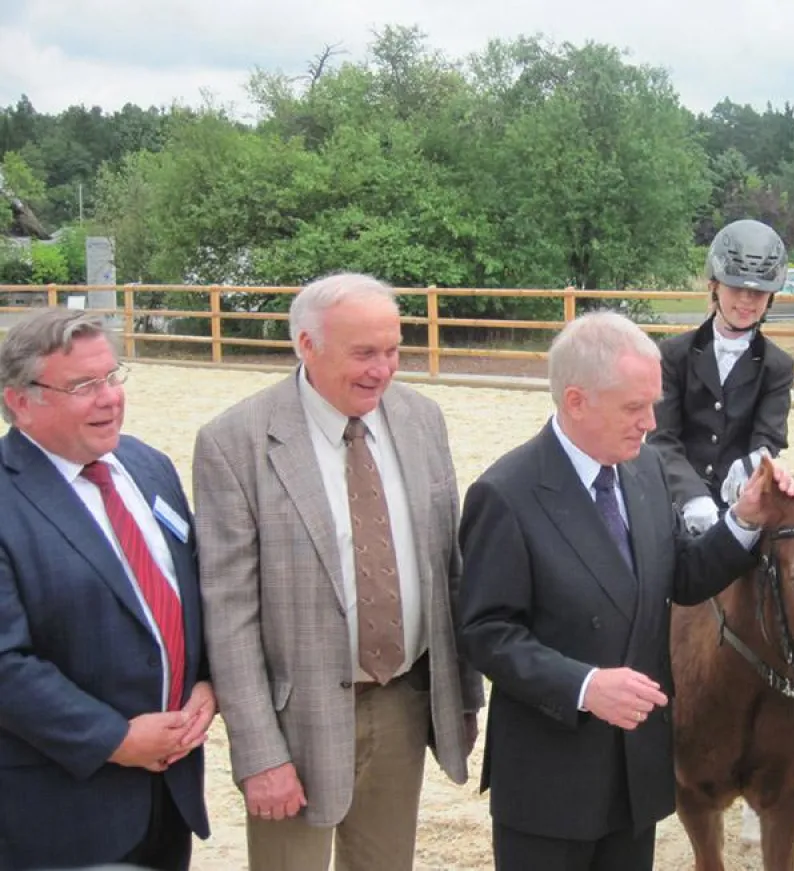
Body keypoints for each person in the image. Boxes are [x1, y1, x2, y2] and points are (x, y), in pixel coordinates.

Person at [456, 311, 794, 871]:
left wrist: (742, 519)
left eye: (654, 404)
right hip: (551, 779)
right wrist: (584, 685)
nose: (650, 423)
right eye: (634, 408)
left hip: (635, 773)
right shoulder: (506, 492)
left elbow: (680, 576)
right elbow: (485, 633)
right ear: (576, 401)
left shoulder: (642, 472)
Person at [192, 273, 484, 871]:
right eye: (363, 353)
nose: (383, 369)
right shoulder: (233, 442)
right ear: (307, 345)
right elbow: (228, 615)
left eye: (393, 349)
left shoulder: (422, 420)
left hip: (402, 701)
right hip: (294, 725)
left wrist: (463, 696)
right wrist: (258, 754)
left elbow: (446, 569)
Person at [0, 308, 213, 870]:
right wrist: (114, 739)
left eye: (112, 376)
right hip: (60, 807)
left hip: (170, 795)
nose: (109, 398)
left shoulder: (148, 466)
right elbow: (5, 663)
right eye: (83, 386)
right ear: (21, 401)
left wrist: (206, 682)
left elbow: (190, 590)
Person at [647, 218, 794, 536]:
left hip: (739, 502)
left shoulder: (778, 366)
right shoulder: (674, 354)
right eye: (736, 288)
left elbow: (768, 436)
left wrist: (754, 463)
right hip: (676, 498)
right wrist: (692, 496)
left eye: (758, 294)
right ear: (714, 285)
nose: (746, 301)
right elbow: (662, 439)